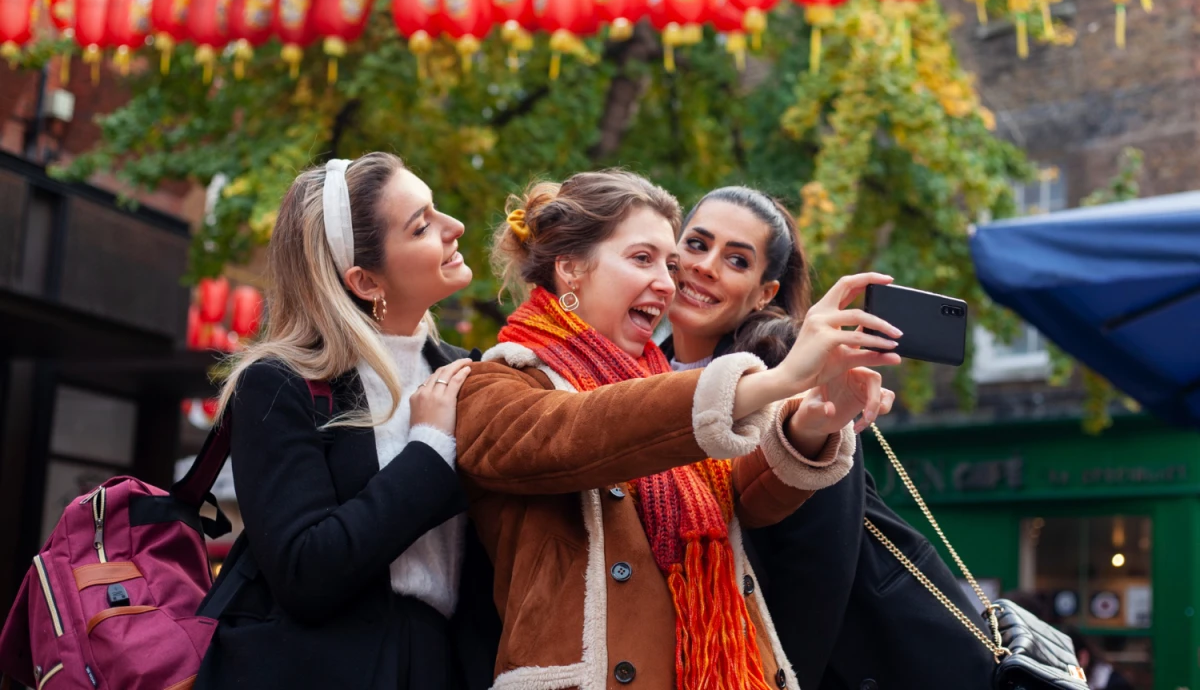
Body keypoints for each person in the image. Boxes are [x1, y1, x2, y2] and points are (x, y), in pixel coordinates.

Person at [453, 170, 905, 689]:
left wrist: (813, 420)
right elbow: (583, 430)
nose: (670, 283)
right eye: (643, 258)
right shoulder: (492, 383)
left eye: (670, 265)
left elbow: (741, 497)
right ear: (571, 267)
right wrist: (777, 382)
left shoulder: (656, 380)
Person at [662, 186, 997, 689]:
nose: (705, 266)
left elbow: (819, 568)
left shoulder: (794, 369)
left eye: (736, 260)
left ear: (764, 293)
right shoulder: (639, 371)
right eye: (696, 244)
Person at [196, 152, 493, 690]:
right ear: (366, 280)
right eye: (422, 225)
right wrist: (429, 448)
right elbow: (304, 570)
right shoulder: (280, 383)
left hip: (442, 665)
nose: (455, 227)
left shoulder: (471, 374)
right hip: (316, 667)